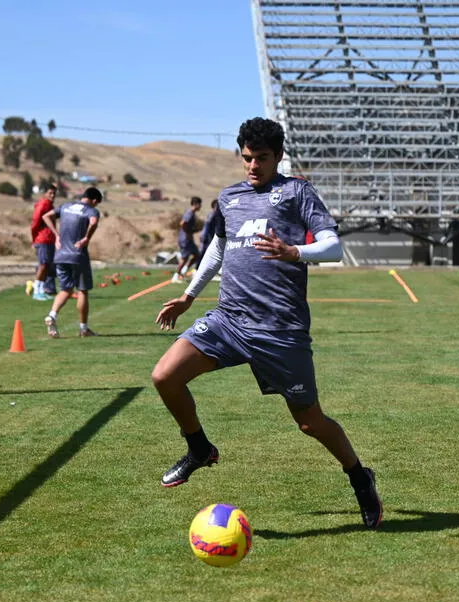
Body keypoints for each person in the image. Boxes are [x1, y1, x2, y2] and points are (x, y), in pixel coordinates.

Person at [152, 117, 382, 529]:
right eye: (246, 158)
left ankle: (359, 476)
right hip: (229, 320)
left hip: (280, 330)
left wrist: (296, 252)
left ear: (278, 157)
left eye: (261, 158)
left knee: (310, 422)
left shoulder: (297, 192)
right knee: (165, 376)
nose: (253, 166)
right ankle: (199, 448)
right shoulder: (230, 198)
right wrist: (188, 296)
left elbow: (333, 247)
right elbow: (219, 249)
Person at [41, 187, 102, 338]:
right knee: (82, 290)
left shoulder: (65, 206)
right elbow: (93, 223)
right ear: (94, 201)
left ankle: (52, 315)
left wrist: (56, 236)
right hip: (77, 254)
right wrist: (86, 238)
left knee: (65, 289)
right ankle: (84, 329)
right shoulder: (91, 210)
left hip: (60, 255)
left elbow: (46, 216)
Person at [28, 184, 58, 300]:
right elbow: (35, 222)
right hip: (43, 239)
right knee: (43, 265)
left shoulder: (50, 205)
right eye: (50, 193)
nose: (52, 195)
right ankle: (37, 291)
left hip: (50, 239)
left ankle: (41, 290)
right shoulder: (43, 204)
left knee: (47, 266)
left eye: (54, 193)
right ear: (45, 193)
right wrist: (35, 238)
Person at [172, 196, 202, 283]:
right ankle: (176, 275)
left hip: (188, 239)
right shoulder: (190, 213)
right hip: (185, 239)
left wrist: (193, 230)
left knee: (196, 255)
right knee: (184, 258)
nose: (200, 207)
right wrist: (188, 233)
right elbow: (182, 224)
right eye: (199, 204)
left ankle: (183, 271)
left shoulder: (191, 213)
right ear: (195, 204)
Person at [195, 198, 221, 269]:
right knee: (203, 254)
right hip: (206, 237)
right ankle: (197, 269)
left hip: (210, 237)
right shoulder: (212, 214)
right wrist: (205, 236)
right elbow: (207, 225)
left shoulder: (216, 215)